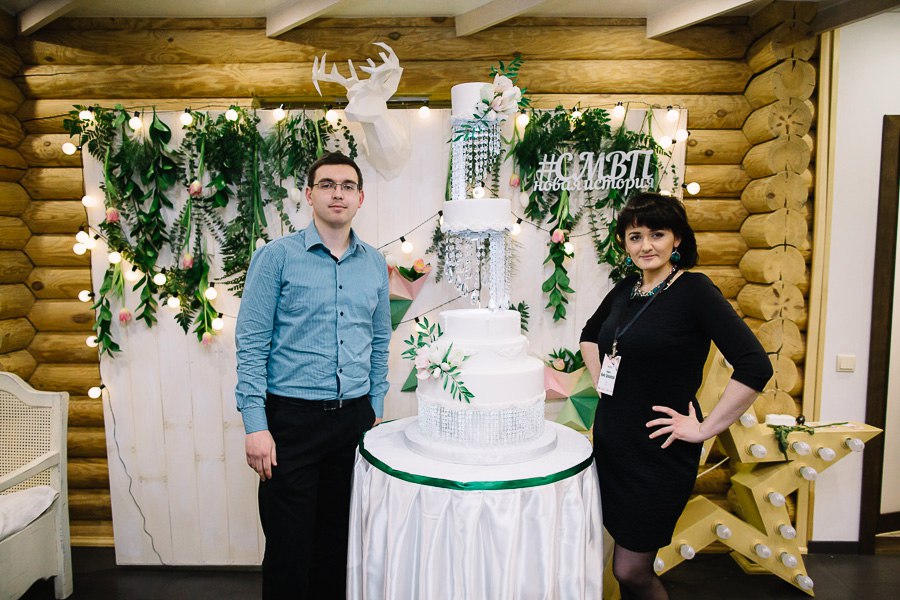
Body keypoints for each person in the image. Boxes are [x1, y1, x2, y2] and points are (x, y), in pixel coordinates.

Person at [579, 192, 772, 600]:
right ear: (624, 243)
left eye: (657, 234)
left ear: (677, 239)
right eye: (635, 237)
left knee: (631, 570)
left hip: (658, 453)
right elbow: (589, 336)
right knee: (622, 564)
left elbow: (755, 365)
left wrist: (704, 428)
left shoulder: (694, 291)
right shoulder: (626, 289)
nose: (645, 245)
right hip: (613, 450)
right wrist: (601, 381)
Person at [235, 152, 390, 599]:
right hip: (291, 424)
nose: (337, 193)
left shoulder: (374, 264)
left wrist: (375, 407)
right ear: (309, 194)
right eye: (327, 185)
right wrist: (255, 425)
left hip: (353, 423)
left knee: (338, 548)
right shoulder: (276, 258)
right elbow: (251, 343)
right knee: (289, 551)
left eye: (347, 186)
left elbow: (380, 341)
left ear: (360, 198)